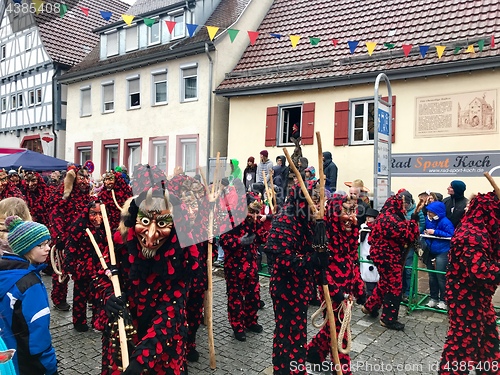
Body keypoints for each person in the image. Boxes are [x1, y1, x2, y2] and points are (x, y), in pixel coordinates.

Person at [97, 180, 199, 374]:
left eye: (161, 224)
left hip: (163, 347)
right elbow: (103, 277)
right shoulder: (120, 246)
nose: (151, 235)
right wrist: (107, 296)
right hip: (122, 337)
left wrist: (142, 359)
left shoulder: (183, 257)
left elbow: (172, 311)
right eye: (144, 222)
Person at [439, 189, 500, 374]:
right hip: (465, 300)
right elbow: (480, 271)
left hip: (480, 299)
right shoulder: (471, 234)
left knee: (488, 342)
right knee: (462, 348)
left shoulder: (481, 230)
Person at [306, 192, 365, 373]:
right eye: (346, 211)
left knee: (336, 326)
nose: (351, 217)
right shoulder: (325, 236)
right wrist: (334, 290)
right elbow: (320, 268)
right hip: (331, 289)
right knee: (340, 330)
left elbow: (352, 262)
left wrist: (359, 287)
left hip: (346, 289)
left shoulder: (350, 234)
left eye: (353, 211)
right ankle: (341, 368)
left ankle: (314, 351)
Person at [265, 180, 319, 374]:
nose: (319, 204)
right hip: (285, 287)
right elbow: (280, 258)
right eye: (315, 199)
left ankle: (289, 368)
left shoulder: (307, 220)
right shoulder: (285, 218)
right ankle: (286, 369)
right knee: (288, 331)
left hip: (301, 286)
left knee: (295, 331)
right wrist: (310, 260)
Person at [0, 216, 58, 375]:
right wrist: (50, 365)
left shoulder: (6, 272)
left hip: (9, 355)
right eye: (41, 245)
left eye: (48, 243)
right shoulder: (30, 284)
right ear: (26, 247)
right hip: (29, 362)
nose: (47, 249)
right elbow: (38, 333)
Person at [361, 193, 420, 330]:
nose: (404, 209)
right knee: (394, 287)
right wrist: (413, 221)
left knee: (385, 283)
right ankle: (388, 318)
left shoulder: (384, 216)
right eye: (402, 205)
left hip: (382, 256)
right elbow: (408, 234)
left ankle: (370, 306)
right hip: (388, 258)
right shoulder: (390, 219)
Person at [219, 192, 266, 341]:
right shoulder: (231, 220)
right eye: (251, 211)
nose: (253, 215)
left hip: (251, 265)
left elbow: (263, 238)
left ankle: (251, 321)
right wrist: (240, 241)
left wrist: (261, 226)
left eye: (255, 212)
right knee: (236, 298)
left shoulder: (255, 221)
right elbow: (224, 241)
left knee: (253, 296)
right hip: (234, 267)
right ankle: (238, 326)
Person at [48, 165, 92, 311]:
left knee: (87, 270)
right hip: (66, 238)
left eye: (87, 177)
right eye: (82, 177)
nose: (85, 181)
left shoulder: (87, 195)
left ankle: (90, 298)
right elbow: (56, 215)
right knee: (62, 271)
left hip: (83, 239)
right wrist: (59, 237)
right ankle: (59, 298)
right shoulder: (63, 194)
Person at [64, 200, 106, 332]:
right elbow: (70, 248)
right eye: (93, 214)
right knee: (80, 296)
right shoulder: (78, 227)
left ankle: (97, 321)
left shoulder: (106, 227)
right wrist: (69, 267)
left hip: (99, 268)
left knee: (98, 296)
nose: (97, 218)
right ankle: (79, 322)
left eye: (100, 214)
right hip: (82, 268)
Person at [423, 201, 454, 310]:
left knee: (441, 276)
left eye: (431, 212)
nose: (429, 214)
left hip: (443, 251)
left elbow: (451, 234)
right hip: (432, 251)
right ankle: (433, 298)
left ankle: (444, 300)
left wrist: (435, 232)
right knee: (432, 276)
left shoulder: (445, 222)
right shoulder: (429, 220)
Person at [399, 189, 426, 303]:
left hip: (410, 243)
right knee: (401, 269)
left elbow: (422, 225)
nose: (403, 205)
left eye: (404, 202)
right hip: (400, 243)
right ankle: (400, 291)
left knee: (409, 269)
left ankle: (409, 293)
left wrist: (411, 232)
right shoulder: (399, 210)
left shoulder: (416, 211)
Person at [359, 208, 380, 296]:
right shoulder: (363, 227)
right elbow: (359, 240)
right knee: (367, 277)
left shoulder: (378, 228)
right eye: (367, 217)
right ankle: (369, 295)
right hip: (365, 255)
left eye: (370, 217)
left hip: (374, 255)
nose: (368, 219)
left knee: (375, 277)